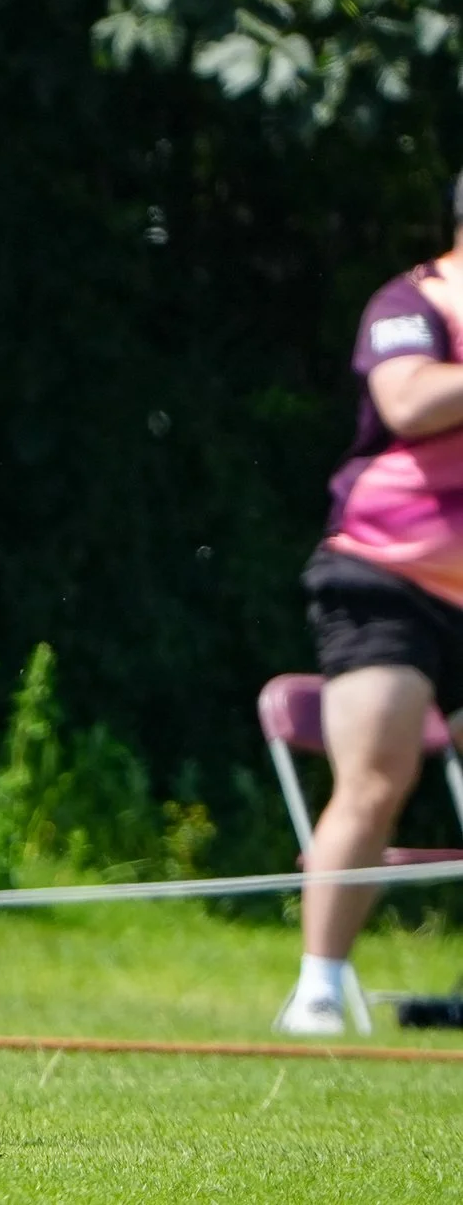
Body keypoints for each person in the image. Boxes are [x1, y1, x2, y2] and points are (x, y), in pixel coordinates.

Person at [277, 172, 463, 1035]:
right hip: (385, 578)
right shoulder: (409, 301)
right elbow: (410, 400)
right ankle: (317, 990)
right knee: (377, 781)